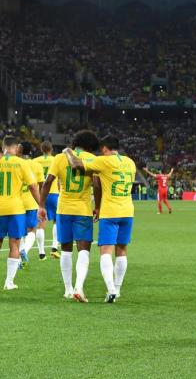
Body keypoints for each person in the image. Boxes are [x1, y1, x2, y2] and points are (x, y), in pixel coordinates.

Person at [63, 135, 136, 303]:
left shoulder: (104, 161)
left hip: (110, 212)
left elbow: (76, 165)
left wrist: (68, 151)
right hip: (127, 211)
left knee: (105, 252)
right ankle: (117, 290)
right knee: (122, 250)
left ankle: (110, 288)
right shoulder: (130, 162)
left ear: (104, 148)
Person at [38, 130, 100, 302]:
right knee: (83, 250)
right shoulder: (92, 159)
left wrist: (41, 206)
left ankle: (67, 289)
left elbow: (48, 181)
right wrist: (99, 207)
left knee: (65, 249)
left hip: (63, 209)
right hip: (83, 210)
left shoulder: (59, 157)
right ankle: (79, 287)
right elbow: (96, 184)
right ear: (90, 146)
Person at [0, 136, 40, 289]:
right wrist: (41, 205)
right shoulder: (22, 163)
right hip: (16, 209)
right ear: (16, 148)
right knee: (15, 244)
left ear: (4, 147)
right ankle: (9, 282)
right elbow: (33, 186)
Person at [18, 141, 45, 266]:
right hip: (31, 203)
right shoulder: (36, 165)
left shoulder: (15, 163)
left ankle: (21, 251)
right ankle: (23, 252)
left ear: (20, 150)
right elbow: (40, 185)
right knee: (31, 231)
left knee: (20, 232)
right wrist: (42, 203)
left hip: (17, 203)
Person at [33, 141, 60, 260]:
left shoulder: (35, 161)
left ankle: (41, 252)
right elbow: (59, 180)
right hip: (54, 193)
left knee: (41, 224)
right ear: (52, 149)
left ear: (41, 149)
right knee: (56, 221)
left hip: (40, 195)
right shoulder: (56, 160)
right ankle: (54, 247)